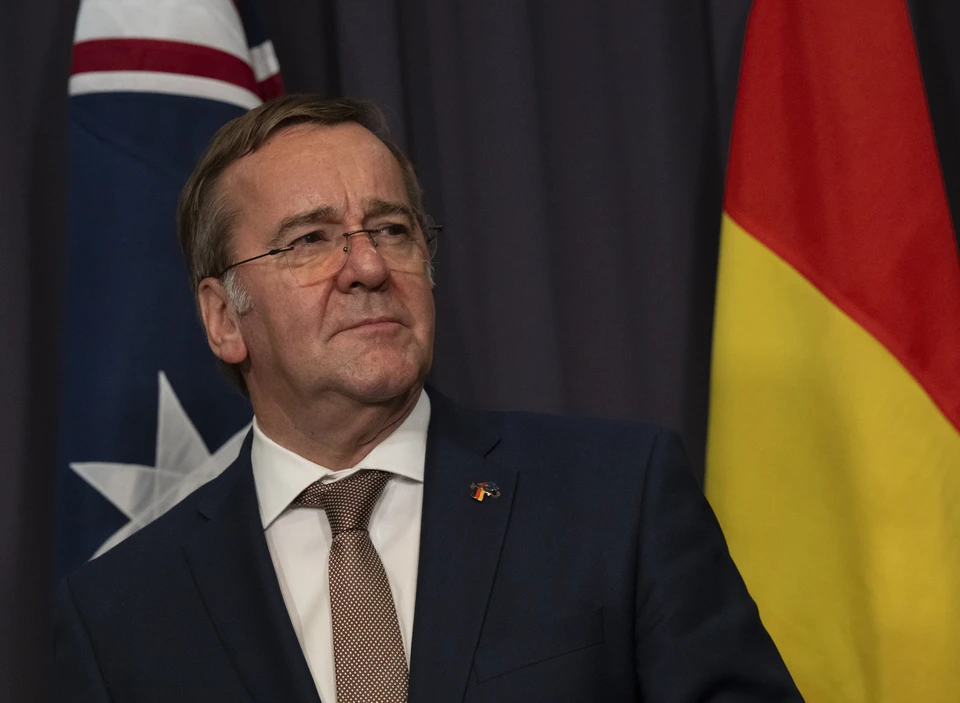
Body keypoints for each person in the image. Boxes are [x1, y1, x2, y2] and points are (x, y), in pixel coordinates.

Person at [54, 94, 803, 702]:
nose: (368, 266)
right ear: (224, 318)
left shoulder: (615, 499)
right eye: (310, 239)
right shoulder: (121, 613)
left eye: (391, 228)